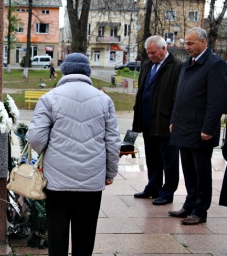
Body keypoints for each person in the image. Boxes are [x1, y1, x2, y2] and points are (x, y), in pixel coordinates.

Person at [27, 53, 120, 256]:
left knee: (57, 237)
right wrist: (110, 173)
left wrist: (46, 151)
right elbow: (113, 143)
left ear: (64, 71)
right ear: (87, 72)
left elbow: (35, 138)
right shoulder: (104, 100)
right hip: (91, 180)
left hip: (57, 180)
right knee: (85, 238)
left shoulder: (49, 98)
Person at [169, 27, 227, 225]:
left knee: (201, 171)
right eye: (186, 43)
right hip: (183, 126)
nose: (187, 47)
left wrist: (208, 128)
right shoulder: (189, 64)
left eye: (191, 43)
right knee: (188, 169)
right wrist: (173, 120)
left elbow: (217, 100)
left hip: (200, 129)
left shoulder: (215, 64)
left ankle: (200, 210)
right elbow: (180, 96)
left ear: (203, 42)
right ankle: (189, 204)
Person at [132, 35, 182, 205]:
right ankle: (153, 187)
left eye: (153, 53)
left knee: (169, 160)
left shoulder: (176, 66)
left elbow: (178, 96)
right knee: (152, 157)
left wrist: (174, 119)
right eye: (148, 53)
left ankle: (167, 192)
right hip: (147, 120)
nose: (151, 56)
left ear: (163, 49)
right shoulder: (147, 65)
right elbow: (142, 90)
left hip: (165, 122)